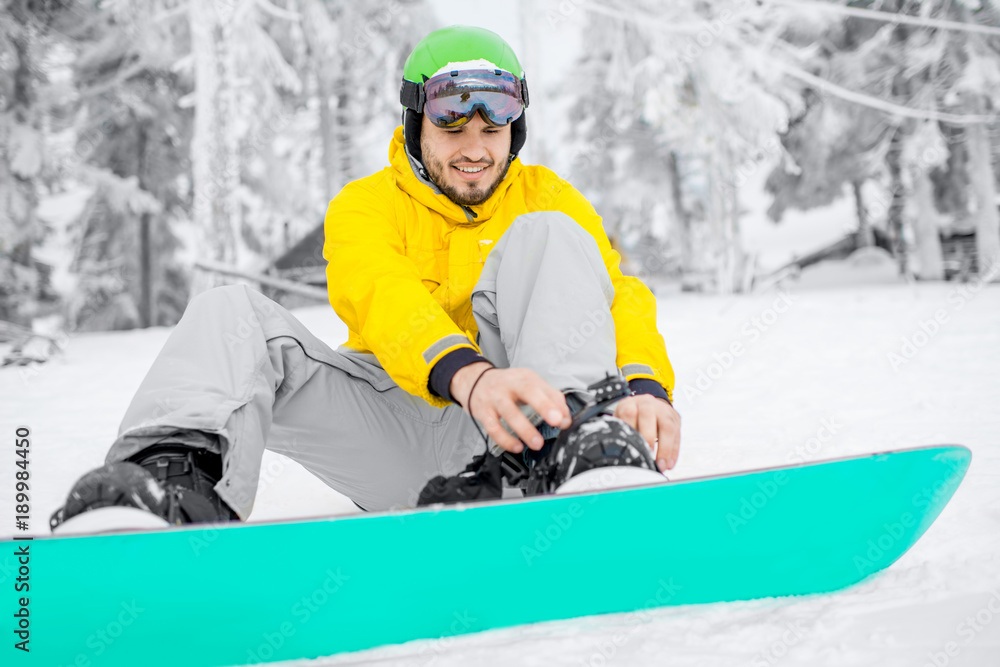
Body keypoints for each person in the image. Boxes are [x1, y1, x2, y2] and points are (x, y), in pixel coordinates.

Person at [50, 25, 680, 529]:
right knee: (229, 311)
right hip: (394, 431)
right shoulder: (366, 205)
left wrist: (648, 389)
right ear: (414, 123)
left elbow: (617, 296)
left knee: (552, 236)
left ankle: (574, 457)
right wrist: (469, 376)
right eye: (452, 128)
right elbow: (380, 291)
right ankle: (169, 492)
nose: (475, 148)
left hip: (522, 433)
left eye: (493, 129)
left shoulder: (549, 198)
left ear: (515, 130)